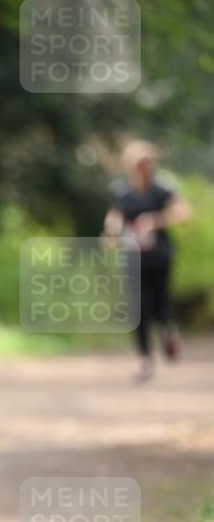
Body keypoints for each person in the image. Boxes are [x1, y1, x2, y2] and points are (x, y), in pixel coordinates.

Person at [102, 140, 191, 382]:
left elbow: (183, 213)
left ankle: (167, 332)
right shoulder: (122, 190)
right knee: (138, 307)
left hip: (160, 255)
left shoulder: (162, 188)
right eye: (140, 163)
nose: (145, 167)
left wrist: (156, 220)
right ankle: (144, 358)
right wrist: (110, 232)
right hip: (133, 255)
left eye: (148, 162)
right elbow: (116, 214)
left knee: (161, 300)